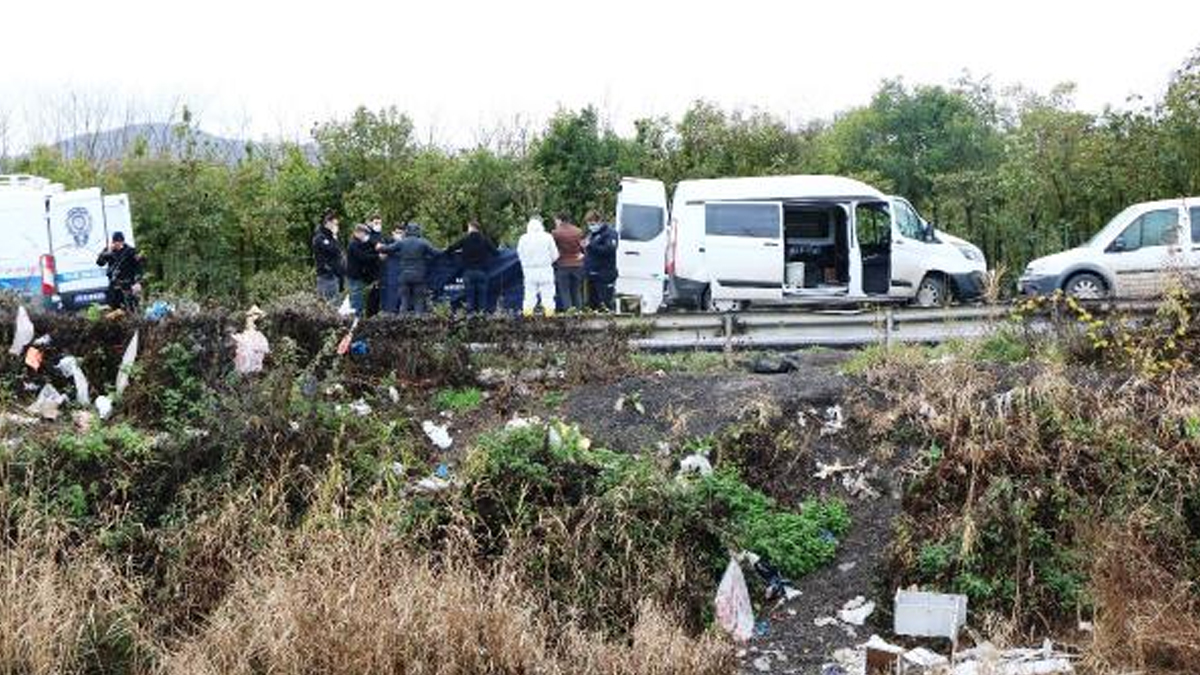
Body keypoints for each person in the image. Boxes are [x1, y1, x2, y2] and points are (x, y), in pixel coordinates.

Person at [379, 222, 440, 314]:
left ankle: (402, 323)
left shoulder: (402, 243)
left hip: (404, 276)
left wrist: (380, 247)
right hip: (419, 276)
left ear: (407, 231)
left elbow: (387, 249)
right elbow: (436, 253)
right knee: (418, 300)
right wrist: (450, 250)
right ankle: (418, 322)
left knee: (404, 301)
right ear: (418, 231)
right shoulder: (423, 242)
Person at [445, 220, 498, 314]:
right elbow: (496, 253)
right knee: (482, 299)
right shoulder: (484, 239)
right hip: (482, 272)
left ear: (472, 227)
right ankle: (482, 319)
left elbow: (450, 249)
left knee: (470, 298)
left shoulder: (465, 239)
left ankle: (470, 320)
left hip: (468, 272)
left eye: (468, 227)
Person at [517, 216, 559, 316]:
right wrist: (548, 262)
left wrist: (526, 264)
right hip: (545, 270)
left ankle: (527, 317)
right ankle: (549, 317)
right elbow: (555, 255)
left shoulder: (523, 238)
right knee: (548, 295)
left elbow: (520, 254)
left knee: (529, 296)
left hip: (529, 271)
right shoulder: (547, 237)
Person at [95, 231, 144, 311]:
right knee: (113, 308)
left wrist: (138, 282)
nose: (117, 244)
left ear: (122, 241)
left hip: (128, 283)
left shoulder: (130, 251)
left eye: (119, 242)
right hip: (114, 284)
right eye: (115, 242)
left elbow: (138, 267)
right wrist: (106, 253)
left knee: (130, 307)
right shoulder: (109, 250)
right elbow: (99, 263)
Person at [583, 210, 620, 311]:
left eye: (593, 224)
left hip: (605, 274)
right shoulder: (592, 234)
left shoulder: (610, 233)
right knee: (592, 304)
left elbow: (609, 249)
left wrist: (591, 245)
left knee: (605, 303)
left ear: (600, 221)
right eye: (589, 224)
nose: (591, 226)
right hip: (591, 275)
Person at [551, 212, 586, 311]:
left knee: (565, 291)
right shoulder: (579, 231)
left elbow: (552, 250)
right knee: (577, 291)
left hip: (563, 265)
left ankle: (569, 314)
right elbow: (583, 247)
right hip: (578, 264)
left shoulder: (555, 233)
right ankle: (579, 313)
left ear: (559, 220)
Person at [345, 223, 378, 316]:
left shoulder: (359, 244)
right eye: (364, 233)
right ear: (357, 233)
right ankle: (355, 321)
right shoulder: (354, 244)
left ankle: (357, 320)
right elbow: (363, 257)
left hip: (358, 277)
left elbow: (368, 251)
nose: (365, 236)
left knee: (358, 300)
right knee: (356, 302)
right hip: (354, 277)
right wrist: (378, 256)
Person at [312, 210, 344, 306]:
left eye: (337, 225)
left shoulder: (331, 238)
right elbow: (333, 249)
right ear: (327, 223)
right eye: (334, 224)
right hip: (326, 276)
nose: (336, 227)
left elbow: (338, 251)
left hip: (336, 276)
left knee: (336, 306)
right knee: (328, 306)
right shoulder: (319, 238)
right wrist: (334, 236)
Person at [377, 223, 405, 313]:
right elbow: (381, 256)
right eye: (397, 232)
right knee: (389, 306)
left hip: (401, 279)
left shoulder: (406, 244)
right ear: (393, 232)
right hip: (388, 279)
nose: (399, 235)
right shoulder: (386, 242)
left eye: (401, 233)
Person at [365, 213, 385, 315]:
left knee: (378, 298)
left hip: (380, 271)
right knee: (371, 299)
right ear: (371, 223)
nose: (378, 225)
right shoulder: (368, 237)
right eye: (376, 223)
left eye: (380, 223)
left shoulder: (381, 236)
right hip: (371, 272)